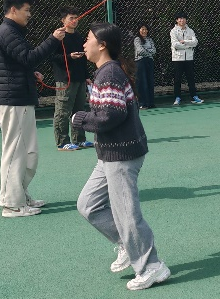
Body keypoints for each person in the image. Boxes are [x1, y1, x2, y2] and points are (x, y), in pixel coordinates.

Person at [73, 22, 170, 291]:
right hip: (110, 154)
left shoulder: (109, 74)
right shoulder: (106, 72)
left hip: (122, 154)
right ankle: (128, 245)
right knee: (88, 204)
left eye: (88, 39)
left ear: (102, 45)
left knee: (127, 214)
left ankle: (152, 266)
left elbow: (110, 115)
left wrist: (81, 119)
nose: (84, 44)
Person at [0, 0, 65, 217]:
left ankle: (20, 195)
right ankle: (11, 204)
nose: (29, 14)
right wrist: (53, 39)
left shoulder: (13, 31)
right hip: (13, 100)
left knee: (29, 152)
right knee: (15, 152)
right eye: (26, 10)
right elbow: (28, 57)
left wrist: (30, 73)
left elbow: (19, 63)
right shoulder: (7, 32)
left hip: (21, 98)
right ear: (13, 10)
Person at [52, 6, 92, 152]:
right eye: (71, 18)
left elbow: (84, 59)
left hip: (79, 79)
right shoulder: (58, 37)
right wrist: (69, 57)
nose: (74, 21)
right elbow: (53, 57)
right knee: (62, 111)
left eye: (76, 18)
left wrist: (86, 76)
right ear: (63, 20)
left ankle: (79, 139)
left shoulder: (78, 36)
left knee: (79, 110)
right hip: (65, 80)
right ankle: (62, 142)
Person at [170, 12, 203, 105]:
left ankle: (194, 96)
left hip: (189, 58)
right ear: (177, 20)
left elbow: (195, 42)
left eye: (184, 18)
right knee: (177, 79)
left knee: (191, 78)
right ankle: (177, 97)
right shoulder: (173, 31)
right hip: (177, 59)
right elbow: (175, 44)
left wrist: (184, 42)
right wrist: (189, 44)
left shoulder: (190, 31)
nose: (182, 20)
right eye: (180, 18)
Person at [134, 24, 156, 109]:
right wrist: (148, 52)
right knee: (142, 82)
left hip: (149, 61)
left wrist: (147, 51)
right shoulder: (137, 39)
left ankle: (150, 102)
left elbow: (154, 50)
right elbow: (140, 50)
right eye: (142, 29)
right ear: (139, 30)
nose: (144, 31)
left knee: (150, 81)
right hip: (140, 61)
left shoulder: (150, 39)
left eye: (146, 29)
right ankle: (142, 103)